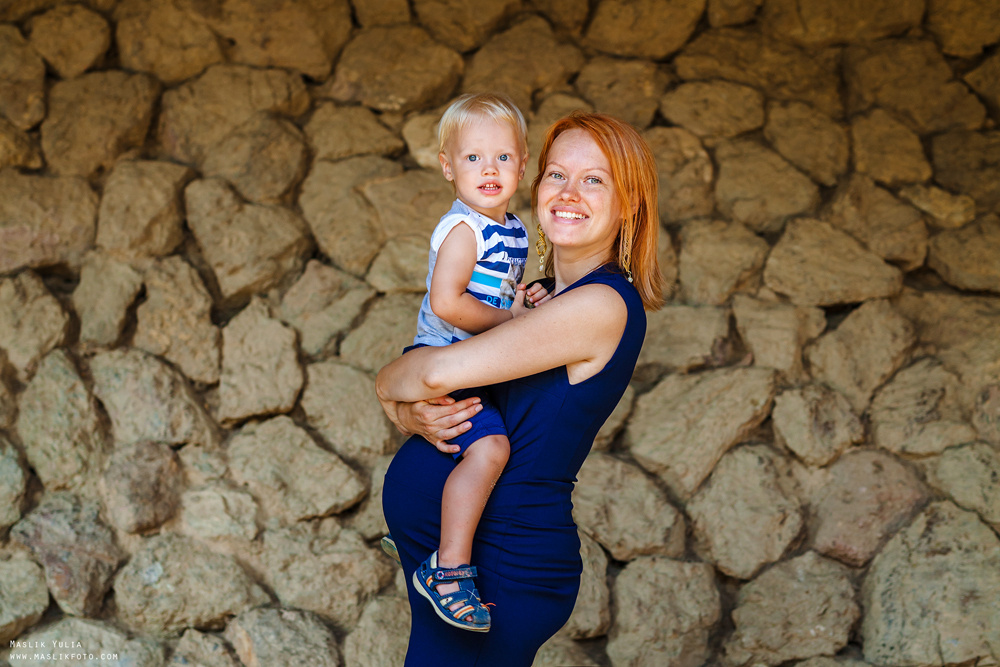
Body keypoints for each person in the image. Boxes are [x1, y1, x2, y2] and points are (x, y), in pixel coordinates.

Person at [377, 110, 663, 666]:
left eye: (595, 179)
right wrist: (410, 412)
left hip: (501, 563)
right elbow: (446, 389)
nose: (569, 192)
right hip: (464, 564)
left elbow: (429, 374)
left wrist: (391, 391)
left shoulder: (599, 306)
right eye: (557, 175)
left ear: (629, 203)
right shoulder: (533, 298)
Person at [390, 92, 550, 633]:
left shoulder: (513, 229)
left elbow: (496, 298)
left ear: (523, 165)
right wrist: (515, 325)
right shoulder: (464, 229)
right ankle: (449, 569)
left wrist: (522, 304)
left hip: (469, 360)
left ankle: (423, 525)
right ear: (447, 167)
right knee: (490, 449)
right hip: (442, 358)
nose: (489, 169)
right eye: (473, 158)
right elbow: (448, 302)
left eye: (503, 157)